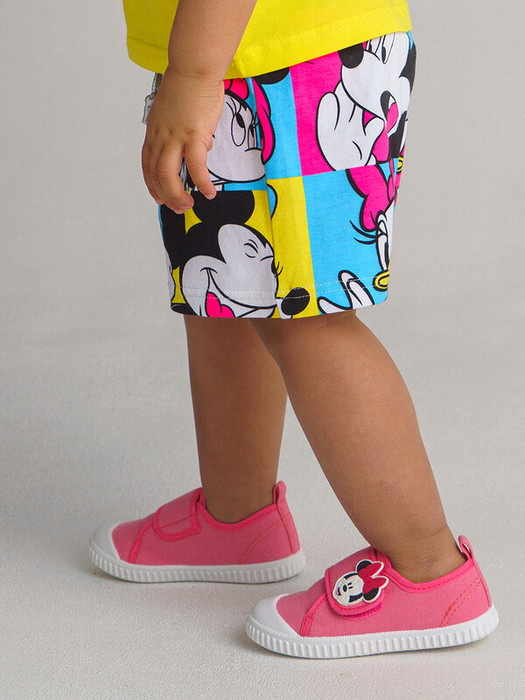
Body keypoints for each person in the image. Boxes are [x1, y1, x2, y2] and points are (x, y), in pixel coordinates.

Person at [89, 0, 498, 658]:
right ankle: (236, 517)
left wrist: (193, 75)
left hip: (285, 64)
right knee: (226, 293)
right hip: (240, 59)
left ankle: (428, 570)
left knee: (309, 318)